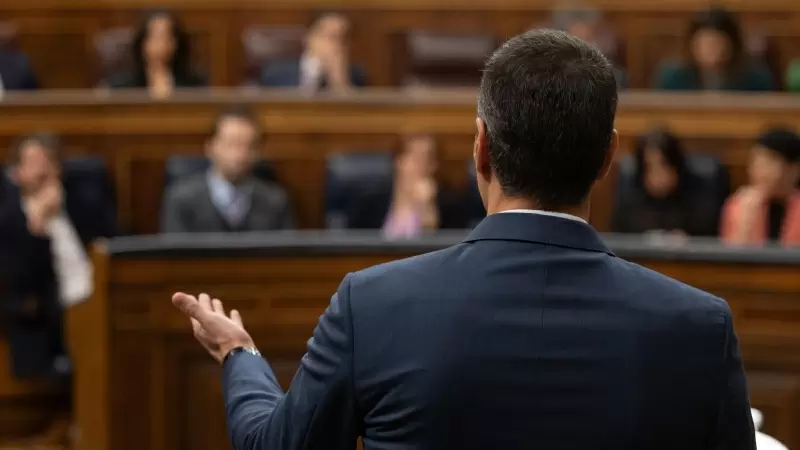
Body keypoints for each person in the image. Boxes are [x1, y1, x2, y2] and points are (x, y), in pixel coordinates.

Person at [173, 29, 755, 450]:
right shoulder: (699, 327)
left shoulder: (372, 305)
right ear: (608, 159)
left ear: (479, 148)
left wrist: (239, 355)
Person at [0, 133, 116, 446]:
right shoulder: (9, 221)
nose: (41, 172)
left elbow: (116, 246)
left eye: (48, 163)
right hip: (45, 314)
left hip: (101, 303)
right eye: (33, 164)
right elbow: (20, 284)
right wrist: (36, 227)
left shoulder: (84, 204)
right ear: (16, 173)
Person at [161, 106, 295, 233]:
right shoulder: (181, 200)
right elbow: (173, 255)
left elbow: (289, 254)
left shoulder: (275, 202)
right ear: (210, 147)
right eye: (232, 144)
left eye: (249, 146)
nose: (241, 154)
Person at [611, 128, 722, 236]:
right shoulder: (631, 201)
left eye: (663, 166)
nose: (657, 176)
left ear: (676, 166)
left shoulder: (699, 199)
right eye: (649, 168)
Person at [348, 135, 466, 237]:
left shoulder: (449, 207)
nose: (421, 164)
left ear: (435, 166)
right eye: (414, 157)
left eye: (427, 158)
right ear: (397, 161)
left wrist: (427, 209)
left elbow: (448, 254)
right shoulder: (370, 203)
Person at [654, 8, 773, 91]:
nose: (709, 52)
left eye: (716, 45)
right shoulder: (673, 77)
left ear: (731, 45)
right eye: (703, 45)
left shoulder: (754, 78)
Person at [720, 128, 800, 246]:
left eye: (768, 164)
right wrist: (748, 216)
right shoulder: (738, 204)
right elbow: (732, 258)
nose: (759, 172)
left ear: (793, 169)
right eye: (756, 163)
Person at [106, 9, 206, 97]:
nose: (161, 45)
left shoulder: (194, 84)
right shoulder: (122, 86)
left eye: (167, 38)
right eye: (154, 37)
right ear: (142, 42)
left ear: (177, 43)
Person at [260, 11, 367, 91]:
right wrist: (313, 73)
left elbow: (357, 115)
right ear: (307, 37)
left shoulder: (356, 75)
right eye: (325, 35)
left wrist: (339, 81)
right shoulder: (276, 72)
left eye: (338, 38)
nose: (331, 44)